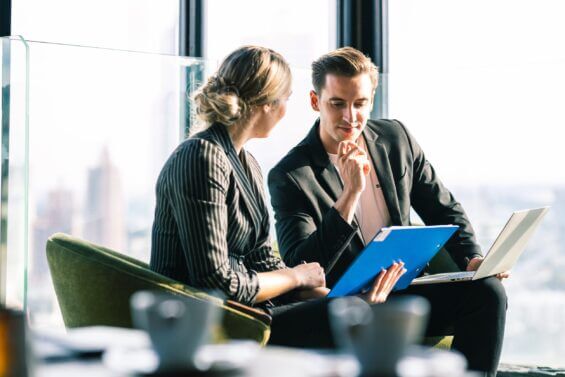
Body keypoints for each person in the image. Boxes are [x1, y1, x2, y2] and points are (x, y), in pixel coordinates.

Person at [267, 47, 507, 376]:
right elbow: (303, 262)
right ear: (314, 101)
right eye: (338, 103)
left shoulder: (396, 139)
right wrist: (349, 195)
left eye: (360, 103)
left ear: (372, 98)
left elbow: (443, 207)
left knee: (488, 292)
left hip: (408, 290)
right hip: (352, 306)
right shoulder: (292, 175)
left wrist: (472, 258)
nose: (350, 117)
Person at [150, 45, 406, 349]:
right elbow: (215, 283)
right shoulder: (201, 156)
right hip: (204, 321)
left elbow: (260, 258)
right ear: (265, 104)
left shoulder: (247, 163)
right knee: (353, 317)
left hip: (248, 312)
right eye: (285, 99)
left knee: (354, 310)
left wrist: (319, 292)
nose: (286, 111)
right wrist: (297, 278)